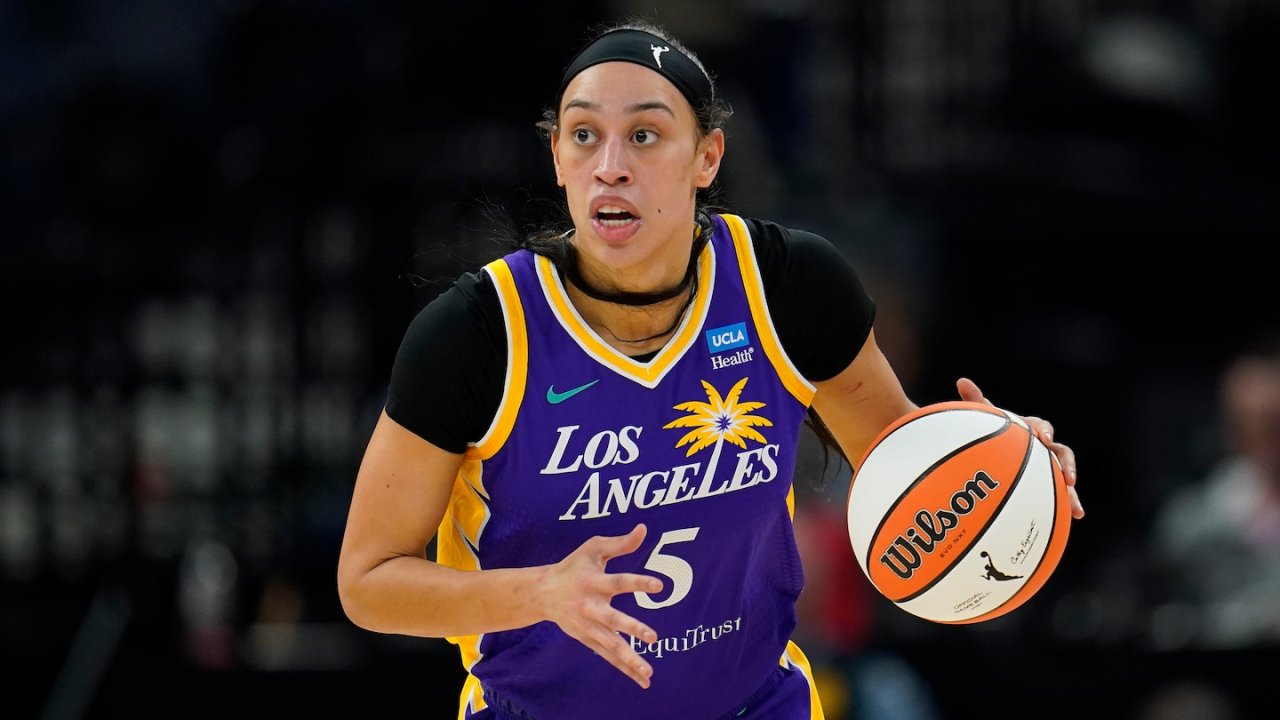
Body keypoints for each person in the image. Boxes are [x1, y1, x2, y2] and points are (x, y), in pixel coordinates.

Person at [336, 19, 1084, 720]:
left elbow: (904, 472)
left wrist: (1005, 468)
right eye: (585, 135)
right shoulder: (478, 335)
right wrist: (538, 593)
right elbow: (369, 584)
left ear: (708, 157)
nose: (612, 166)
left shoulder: (787, 286)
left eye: (646, 135)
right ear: (557, 157)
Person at [1148, 330, 1280, 648]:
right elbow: (1169, 618)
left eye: (1273, 422)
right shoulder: (1191, 517)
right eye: (1246, 423)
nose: (1264, 438)